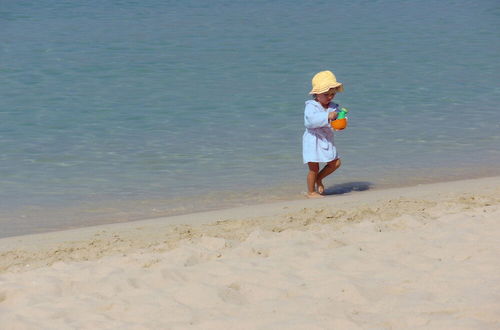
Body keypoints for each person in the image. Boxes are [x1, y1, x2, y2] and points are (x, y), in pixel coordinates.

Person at [302, 70, 344, 198]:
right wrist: (327, 116)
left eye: (333, 94)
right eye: (326, 94)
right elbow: (309, 121)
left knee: (335, 163)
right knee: (313, 168)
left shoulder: (333, 106)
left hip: (326, 139)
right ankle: (311, 192)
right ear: (316, 94)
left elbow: (337, 119)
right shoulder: (311, 106)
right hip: (313, 140)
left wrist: (341, 121)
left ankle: (319, 179)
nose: (330, 97)